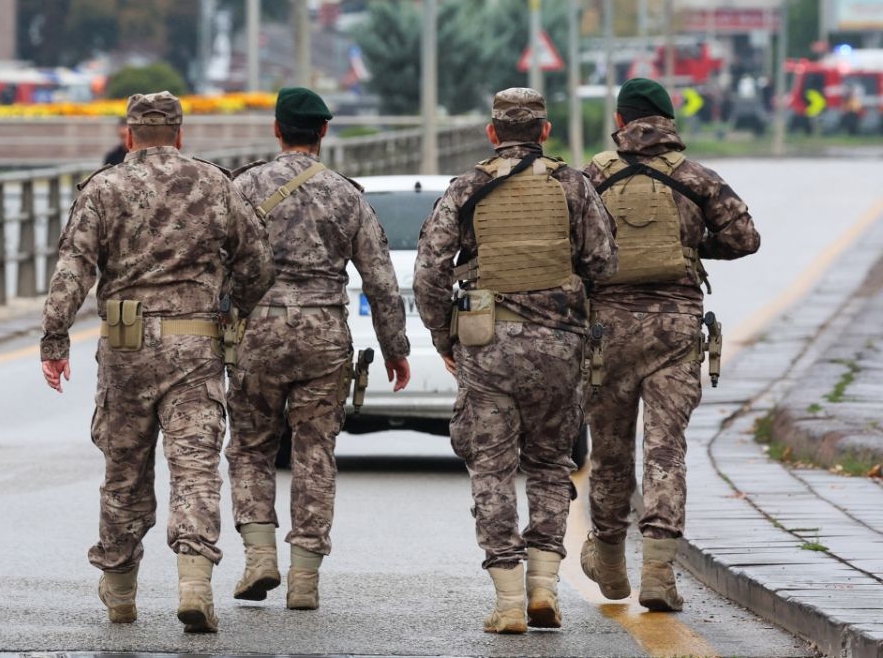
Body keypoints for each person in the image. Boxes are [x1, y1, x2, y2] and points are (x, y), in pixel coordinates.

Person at [40, 91, 274, 633]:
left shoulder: (104, 187)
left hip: (125, 351)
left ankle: (121, 593)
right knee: (195, 467)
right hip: (195, 346)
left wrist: (54, 339)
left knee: (124, 472)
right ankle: (194, 585)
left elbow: (74, 268)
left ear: (129, 136)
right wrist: (234, 307)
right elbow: (258, 262)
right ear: (179, 134)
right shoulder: (215, 183)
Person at [413, 88, 617, 634]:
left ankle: (507, 602)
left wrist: (443, 338)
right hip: (559, 346)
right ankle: (544, 587)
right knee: (550, 464)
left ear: (492, 132)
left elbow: (429, 271)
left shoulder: (467, 187)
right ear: (544, 131)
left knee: (492, 468)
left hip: (487, 346)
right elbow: (604, 261)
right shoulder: (573, 184)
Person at [224, 87, 412, 611]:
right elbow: (380, 279)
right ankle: (304, 578)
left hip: (258, 334)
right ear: (323, 131)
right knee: (314, 452)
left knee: (251, 447)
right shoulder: (345, 194)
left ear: (277, 130)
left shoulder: (244, 187)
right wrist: (394, 348)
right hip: (324, 336)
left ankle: (259, 556)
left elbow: (215, 264)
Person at [580, 77, 760, 612]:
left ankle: (610, 560)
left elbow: (568, 245)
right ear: (668, 123)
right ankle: (658, 571)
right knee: (665, 449)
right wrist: (691, 245)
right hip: (675, 330)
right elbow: (744, 238)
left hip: (606, 332)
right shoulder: (696, 177)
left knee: (610, 448)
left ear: (620, 121)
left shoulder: (592, 176)